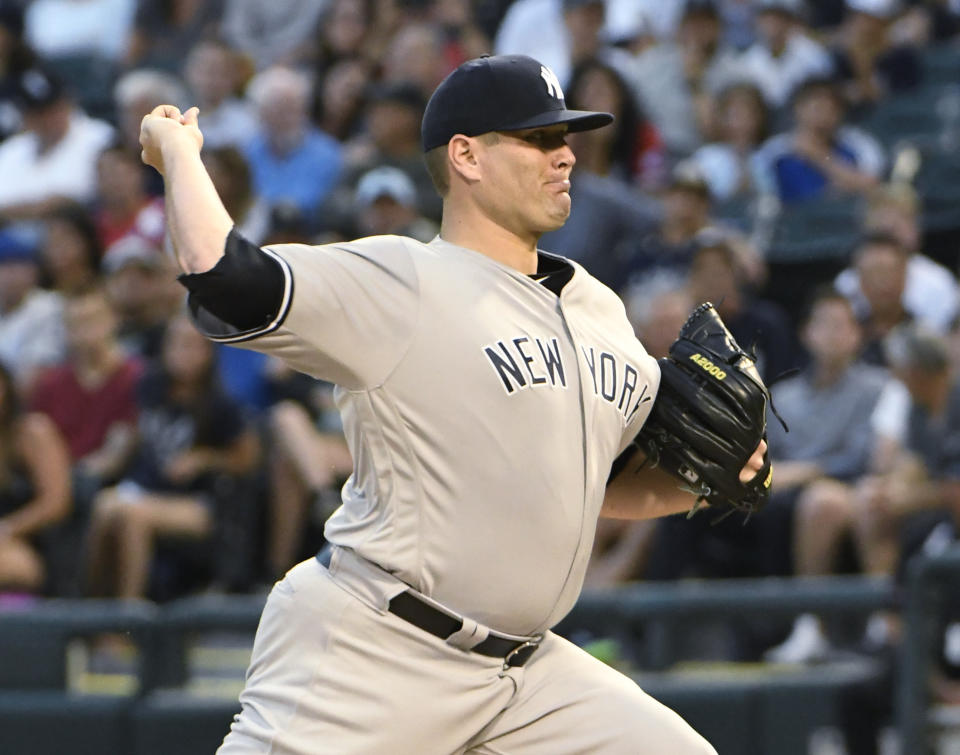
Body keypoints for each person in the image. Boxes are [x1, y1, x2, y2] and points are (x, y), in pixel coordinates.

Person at [140, 53, 766, 753]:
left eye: (565, 138)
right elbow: (220, 272)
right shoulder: (403, 279)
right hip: (377, 647)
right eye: (538, 139)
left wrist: (705, 480)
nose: (565, 155)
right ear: (466, 156)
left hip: (526, 678)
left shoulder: (599, 307)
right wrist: (178, 151)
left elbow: (601, 483)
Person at [84, 313, 259, 600]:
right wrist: (109, 456)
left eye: (191, 345)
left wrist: (204, 459)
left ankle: (129, 616)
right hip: (148, 488)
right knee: (104, 507)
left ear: (208, 352)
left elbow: (248, 460)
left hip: (202, 502)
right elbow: (133, 434)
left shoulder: (221, 404)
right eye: (176, 344)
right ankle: (92, 610)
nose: (182, 353)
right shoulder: (149, 388)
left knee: (131, 515)